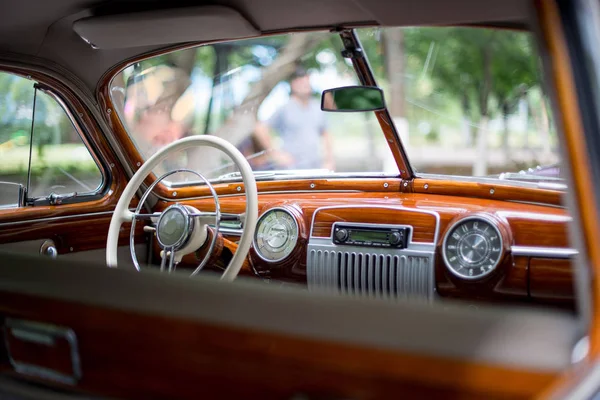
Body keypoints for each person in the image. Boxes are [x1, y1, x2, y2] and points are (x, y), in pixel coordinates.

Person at [254, 67, 335, 171]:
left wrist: (329, 161)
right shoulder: (285, 108)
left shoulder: (317, 107)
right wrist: (276, 154)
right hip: (291, 168)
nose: (305, 85)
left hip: (315, 166)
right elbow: (260, 128)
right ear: (293, 85)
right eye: (300, 82)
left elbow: (326, 135)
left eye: (307, 82)